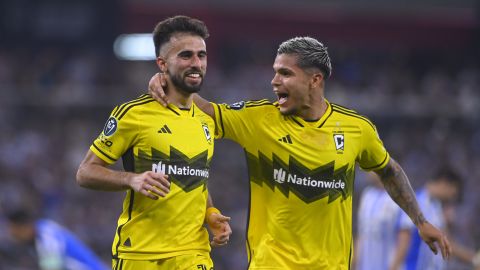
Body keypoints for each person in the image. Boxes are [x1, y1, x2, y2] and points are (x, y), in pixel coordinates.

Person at [149, 36, 450, 269]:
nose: (274, 81)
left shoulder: (356, 129)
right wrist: (170, 83)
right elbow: (203, 111)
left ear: (315, 80)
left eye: (285, 73)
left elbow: (389, 169)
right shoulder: (259, 120)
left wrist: (421, 221)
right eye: (275, 72)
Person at [76, 16, 231, 270]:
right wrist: (131, 179)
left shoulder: (207, 121)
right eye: (186, 56)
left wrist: (210, 213)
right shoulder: (133, 114)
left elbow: (194, 180)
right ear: (162, 63)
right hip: (140, 253)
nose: (196, 63)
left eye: (201, 55)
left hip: (193, 253)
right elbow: (85, 173)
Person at [398, 168, 477, 270]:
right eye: (452, 194)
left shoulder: (436, 206)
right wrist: (473, 259)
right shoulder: (416, 202)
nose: (451, 198)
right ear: (444, 184)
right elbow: (403, 241)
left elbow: (446, 241)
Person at [4, 208, 108, 270]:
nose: (13, 236)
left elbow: (53, 267)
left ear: (25, 227)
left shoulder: (46, 236)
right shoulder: (42, 232)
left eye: (15, 233)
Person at [354, 172, 411, 270]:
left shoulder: (400, 197)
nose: (366, 170)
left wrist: (393, 267)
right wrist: (354, 263)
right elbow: (361, 234)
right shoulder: (367, 195)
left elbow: (404, 239)